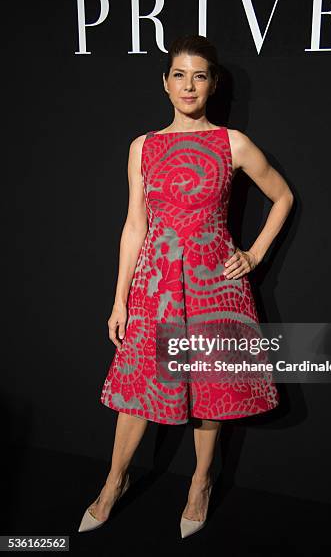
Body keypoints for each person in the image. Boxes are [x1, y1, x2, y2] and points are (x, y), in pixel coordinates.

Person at [78, 34, 294, 538]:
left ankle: (200, 482)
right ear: (165, 84)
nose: (189, 84)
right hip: (155, 284)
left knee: (210, 390)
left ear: (213, 84)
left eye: (200, 75)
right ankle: (114, 482)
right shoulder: (144, 146)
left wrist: (254, 253)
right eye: (179, 74)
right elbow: (135, 225)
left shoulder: (231, 142)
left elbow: (282, 196)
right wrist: (119, 299)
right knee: (138, 391)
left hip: (215, 283)